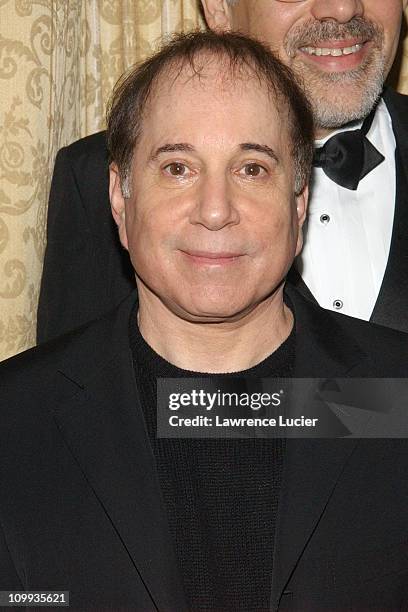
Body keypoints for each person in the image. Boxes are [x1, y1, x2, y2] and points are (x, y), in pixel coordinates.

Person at [2, 32, 408, 611]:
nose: (215, 210)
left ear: (298, 205)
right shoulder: (17, 422)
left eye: (251, 168)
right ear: (119, 196)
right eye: (177, 168)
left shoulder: (393, 401)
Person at [37, 0, 408, 344]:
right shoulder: (93, 178)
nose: (343, 8)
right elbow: (75, 396)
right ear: (219, 7)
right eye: (178, 169)